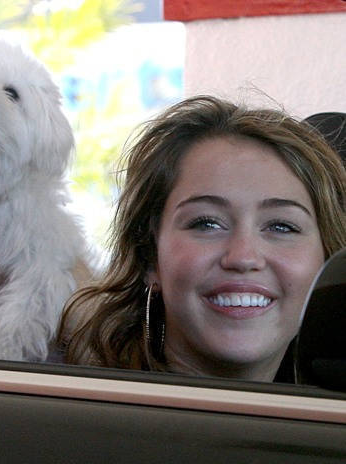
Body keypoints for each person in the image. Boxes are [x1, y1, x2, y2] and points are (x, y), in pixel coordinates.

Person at [56, 95, 346, 383]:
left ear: (328, 259)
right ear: (149, 257)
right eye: (207, 223)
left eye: (281, 227)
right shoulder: (72, 400)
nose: (243, 257)